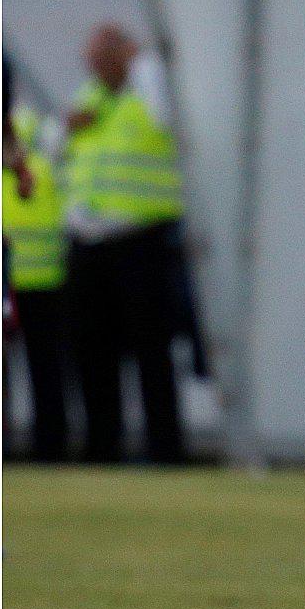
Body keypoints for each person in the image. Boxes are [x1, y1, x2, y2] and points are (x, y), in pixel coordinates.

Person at [63, 23, 190, 464]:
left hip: (142, 239)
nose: (95, 69)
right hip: (89, 243)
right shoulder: (91, 99)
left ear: (125, 57)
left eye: (104, 58)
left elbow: (166, 115)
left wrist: (140, 60)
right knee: (92, 352)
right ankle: (101, 447)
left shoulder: (150, 95)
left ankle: (165, 449)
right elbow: (57, 143)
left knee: (151, 350)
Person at [3, 105, 73, 460]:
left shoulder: (34, 159)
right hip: (42, 280)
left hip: (28, 282)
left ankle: (17, 449)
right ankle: (51, 448)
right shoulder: (44, 159)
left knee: (24, 373)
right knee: (45, 372)